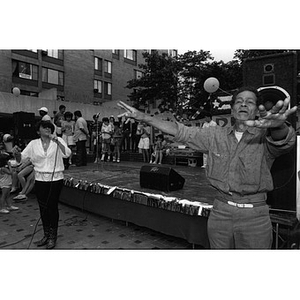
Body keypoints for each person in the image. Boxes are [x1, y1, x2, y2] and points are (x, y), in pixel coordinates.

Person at [118, 86, 297, 249]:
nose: (244, 104)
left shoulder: (265, 137)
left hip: (255, 217)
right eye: (239, 101)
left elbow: (283, 141)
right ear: (232, 109)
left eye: (250, 102)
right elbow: (181, 131)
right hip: (220, 214)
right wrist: (143, 117)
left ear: (256, 110)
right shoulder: (214, 135)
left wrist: (278, 125)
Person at [13, 120, 71, 249]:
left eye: (49, 127)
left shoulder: (58, 140)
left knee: (52, 207)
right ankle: (46, 234)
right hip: (40, 179)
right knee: (43, 207)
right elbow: (21, 159)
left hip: (56, 178)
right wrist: (16, 154)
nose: (47, 129)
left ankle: (52, 236)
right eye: (44, 127)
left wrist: (57, 141)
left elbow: (67, 154)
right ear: (38, 131)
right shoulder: (33, 144)